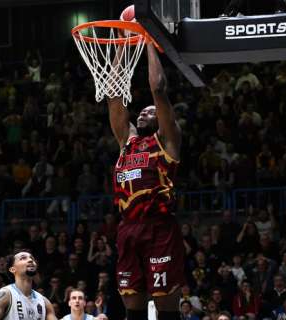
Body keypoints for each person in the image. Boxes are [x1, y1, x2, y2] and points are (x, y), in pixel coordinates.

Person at [108, 42, 185, 320]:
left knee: (166, 310)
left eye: (150, 111)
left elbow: (158, 88)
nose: (143, 112)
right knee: (134, 310)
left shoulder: (167, 140)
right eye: (141, 111)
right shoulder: (126, 142)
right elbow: (114, 95)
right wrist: (120, 44)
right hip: (128, 228)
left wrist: (149, 42)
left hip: (160, 228)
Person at [0, 250, 56, 320]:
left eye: (32, 258)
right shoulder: (6, 294)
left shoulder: (44, 302)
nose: (30, 260)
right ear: (13, 269)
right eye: (23, 258)